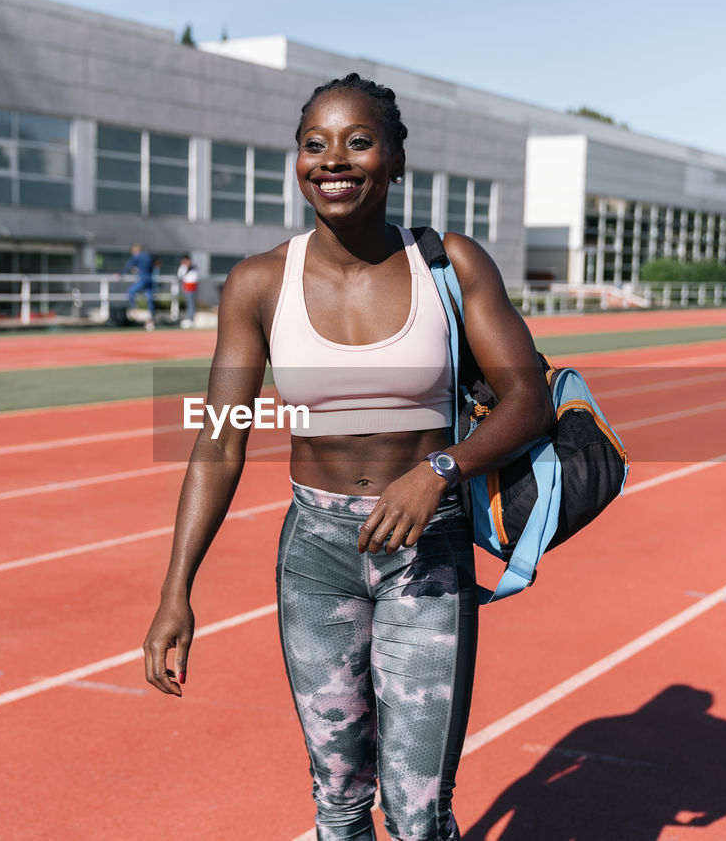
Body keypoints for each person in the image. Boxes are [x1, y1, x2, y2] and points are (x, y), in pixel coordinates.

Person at [142, 73, 551, 840]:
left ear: (395, 160)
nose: (334, 159)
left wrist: (441, 471)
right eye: (314, 144)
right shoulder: (259, 284)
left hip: (425, 556)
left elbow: (528, 400)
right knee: (337, 798)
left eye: (358, 142)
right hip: (317, 558)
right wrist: (176, 592)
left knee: (419, 810)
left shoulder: (451, 265)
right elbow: (221, 436)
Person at [121, 242, 156, 329]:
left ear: (135, 250)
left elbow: (128, 266)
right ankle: (151, 320)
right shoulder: (147, 256)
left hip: (143, 279)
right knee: (150, 299)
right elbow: (151, 268)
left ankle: (135, 309)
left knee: (130, 293)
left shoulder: (137, 256)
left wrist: (120, 274)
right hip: (150, 279)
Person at [177, 254, 199, 327]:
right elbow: (180, 275)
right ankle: (189, 318)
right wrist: (186, 268)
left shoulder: (193, 268)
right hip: (187, 287)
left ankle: (191, 318)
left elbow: (195, 277)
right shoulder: (183, 268)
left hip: (193, 287)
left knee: (191, 303)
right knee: (189, 303)